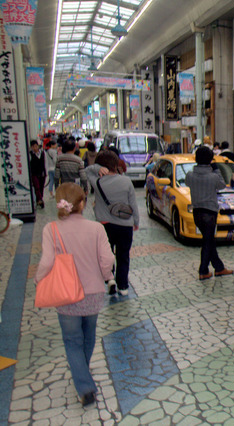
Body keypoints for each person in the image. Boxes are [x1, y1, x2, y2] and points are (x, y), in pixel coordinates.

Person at [35, 183, 115, 406]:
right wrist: (107, 276)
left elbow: (47, 261)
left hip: (66, 293)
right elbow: (107, 260)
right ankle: (83, 370)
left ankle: (84, 385)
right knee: (88, 336)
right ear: (82, 203)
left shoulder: (51, 229)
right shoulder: (97, 228)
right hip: (93, 293)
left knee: (72, 340)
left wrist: (38, 278)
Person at [85, 151, 139, 296]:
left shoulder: (97, 182)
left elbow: (85, 171)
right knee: (123, 255)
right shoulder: (126, 181)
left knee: (106, 254)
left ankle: (110, 280)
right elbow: (133, 203)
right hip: (125, 225)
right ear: (116, 165)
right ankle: (123, 286)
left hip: (104, 224)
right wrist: (136, 221)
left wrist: (96, 168)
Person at [186, 146, 234, 280]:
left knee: (209, 241)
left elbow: (187, 182)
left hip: (197, 213)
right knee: (208, 242)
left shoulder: (190, 175)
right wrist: (216, 169)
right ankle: (203, 270)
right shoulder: (213, 176)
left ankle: (219, 268)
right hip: (210, 213)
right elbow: (222, 185)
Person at [29, 140, 47, 208]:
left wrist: (46, 172)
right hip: (34, 173)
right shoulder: (30, 154)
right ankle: (40, 200)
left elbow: (45, 162)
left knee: (41, 187)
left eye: (36, 146)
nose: (35, 148)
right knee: (37, 187)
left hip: (42, 172)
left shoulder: (42, 153)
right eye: (33, 146)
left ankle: (39, 199)